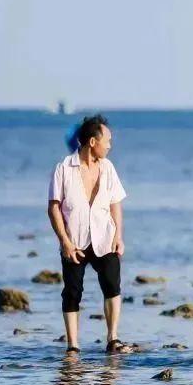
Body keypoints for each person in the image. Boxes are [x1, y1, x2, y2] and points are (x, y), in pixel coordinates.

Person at [47, 115, 130, 355]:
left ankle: (112, 338)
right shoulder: (63, 168)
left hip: (105, 237)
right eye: (108, 140)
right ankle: (73, 345)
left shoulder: (108, 168)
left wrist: (119, 236)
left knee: (113, 286)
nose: (110, 145)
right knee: (72, 292)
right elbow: (53, 207)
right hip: (74, 240)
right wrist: (65, 242)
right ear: (93, 141)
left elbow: (116, 203)